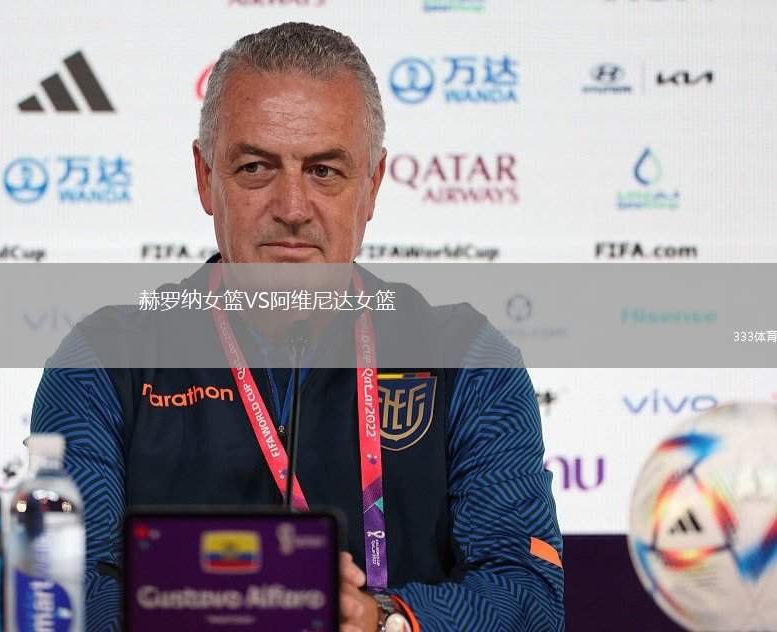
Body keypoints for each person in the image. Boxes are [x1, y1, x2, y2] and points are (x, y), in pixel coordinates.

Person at [31, 22, 564, 632]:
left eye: (324, 171)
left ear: (372, 186)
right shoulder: (101, 361)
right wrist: (236, 606)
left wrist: (381, 619)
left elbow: (531, 596)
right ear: (206, 178)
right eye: (256, 167)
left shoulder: (467, 358)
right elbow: (56, 588)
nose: (291, 207)